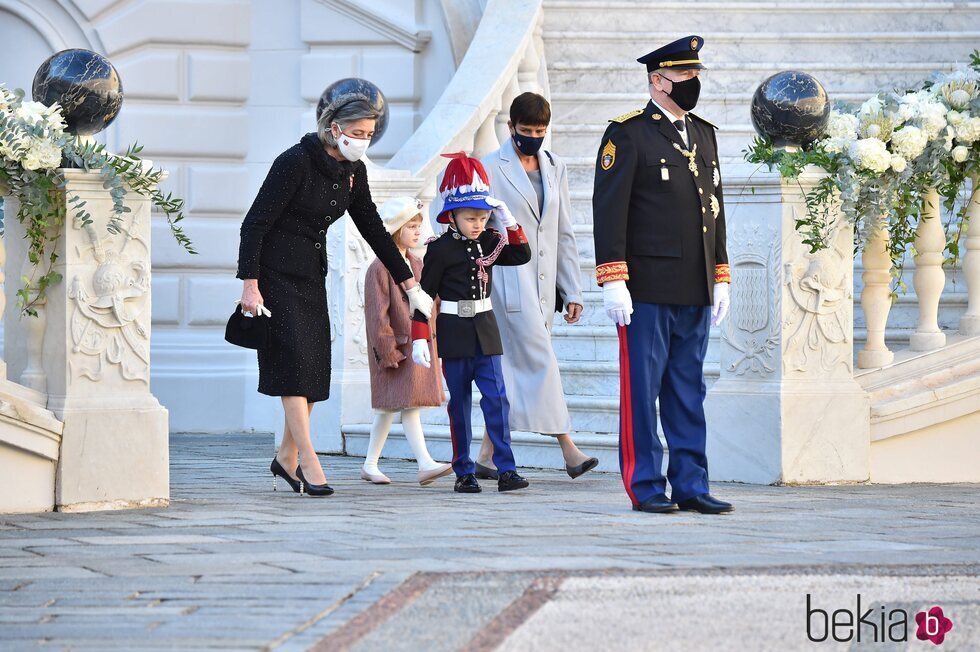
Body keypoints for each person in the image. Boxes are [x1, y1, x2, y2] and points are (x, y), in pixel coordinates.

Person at [238, 93, 433, 497]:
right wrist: (250, 283)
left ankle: (286, 458)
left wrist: (409, 284)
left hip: (310, 275)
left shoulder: (353, 172)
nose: (363, 140)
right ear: (334, 128)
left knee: (311, 370)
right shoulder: (294, 161)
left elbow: (375, 231)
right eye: (358, 133)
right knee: (292, 363)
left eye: (369, 134)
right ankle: (309, 459)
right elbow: (254, 223)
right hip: (274, 275)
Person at [592, 35, 733, 514]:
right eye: (684, 76)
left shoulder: (705, 133)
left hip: (693, 285)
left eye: (695, 75)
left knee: (687, 389)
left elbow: (714, 209)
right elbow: (609, 211)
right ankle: (646, 484)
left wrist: (721, 275)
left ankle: (691, 483)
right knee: (642, 390)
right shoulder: (627, 134)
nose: (693, 83)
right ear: (657, 80)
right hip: (647, 288)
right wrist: (614, 278)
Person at [476, 92, 598, 479]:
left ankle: (484, 456)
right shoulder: (489, 166)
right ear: (511, 127)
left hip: (545, 285)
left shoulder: (555, 165)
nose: (533, 136)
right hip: (508, 280)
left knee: (514, 368)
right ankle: (570, 449)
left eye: (540, 130)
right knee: (541, 361)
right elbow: (467, 218)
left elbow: (562, 231)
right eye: (526, 130)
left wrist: (572, 289)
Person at [410, 152, 532, 494]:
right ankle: (464, 469)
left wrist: (509, 221)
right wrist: (420, 336)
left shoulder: (493, 240)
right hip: (454, 330)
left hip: (486, 328)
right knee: (460, 404)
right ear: (452, 216)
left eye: (483, 216)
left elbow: (521, 254)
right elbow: (423, 295)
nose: (478, 223)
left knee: (497, 399)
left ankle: (506, 468)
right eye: (470, 217)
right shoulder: (440, 249)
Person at [361, 196, 453, 486]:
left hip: (417, 344)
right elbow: (377, 315)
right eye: (411, 226)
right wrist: (387, 350)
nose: (417, 231)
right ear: (395, 229)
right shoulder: (379, 268)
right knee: (405, 405)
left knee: (391, 408)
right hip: (397, 348)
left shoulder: (417, 262)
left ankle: (370, 464)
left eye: (418, 226)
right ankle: (424, 463)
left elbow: (428, 302)